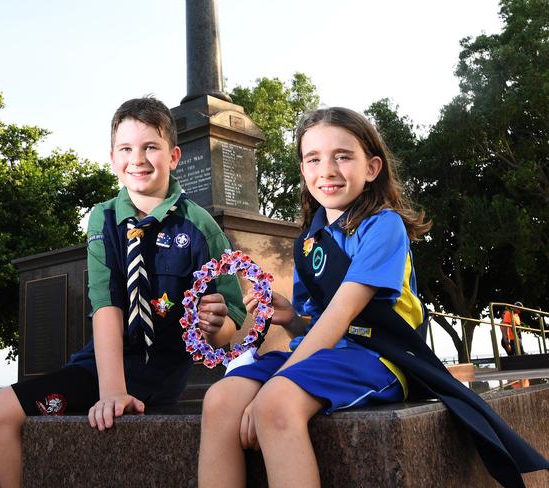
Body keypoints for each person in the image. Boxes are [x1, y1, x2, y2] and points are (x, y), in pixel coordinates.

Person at [198, 107, 548, 488]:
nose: (327, 169)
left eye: (342, 156)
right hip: (325, 353)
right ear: (303, 170)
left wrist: (277, 378)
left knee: (274, 404)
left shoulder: (384, 226)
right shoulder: (308, 243)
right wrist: (293, 320)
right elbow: (318, 324)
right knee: (220, 400)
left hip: (381, 357)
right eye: (313, 158)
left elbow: (342, 316)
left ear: (372, 167)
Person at [0, 97, 246, 488]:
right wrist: (112, 390)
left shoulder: (200, 227)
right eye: (126, 148)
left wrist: (215, 324)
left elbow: (230, 324)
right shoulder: (103, 217)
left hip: (157, 372)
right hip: (99, 366)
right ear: (112, 157)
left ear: (173, 156)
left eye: (150, 147)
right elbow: (106, 305)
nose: (138, 158)